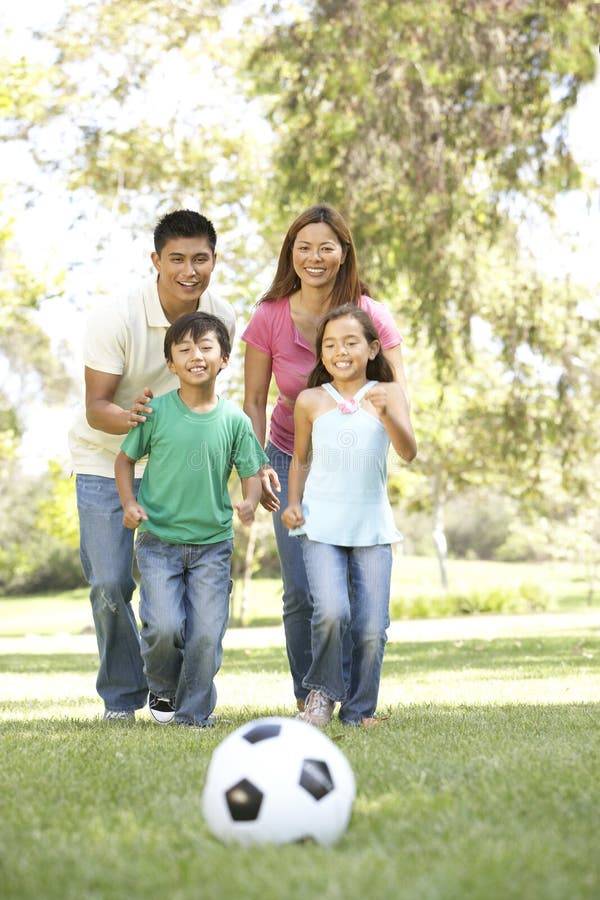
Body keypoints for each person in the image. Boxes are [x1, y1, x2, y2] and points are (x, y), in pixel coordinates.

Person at [69, 209, 236, 721]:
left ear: (213, 259)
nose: (190, 270)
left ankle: (170, 688)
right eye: (178, 259)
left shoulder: (222, 316)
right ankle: (122, 700)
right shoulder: (115, 318)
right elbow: (97, 405)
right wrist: (133, 422)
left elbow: (208, 404)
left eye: (201, 259)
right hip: (106, 457)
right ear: (156, 260)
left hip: (172, 468)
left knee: (184, 592)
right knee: (111, 583)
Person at [242, 204, 408, 711]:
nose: (314, 257)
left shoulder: (370, 312)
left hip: (351, 465)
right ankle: (312, 695)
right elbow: (253, 400)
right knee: (301, 591)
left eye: (326, 246)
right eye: (303, 246)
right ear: (290, 253)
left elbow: (397, 391)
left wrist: (391, 441)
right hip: (289, 457)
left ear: (343, 254)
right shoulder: (269, 315)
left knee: (357, 600)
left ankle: (357, 703)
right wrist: (258, 465)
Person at [114, 312, 266, 727]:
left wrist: (250, 500)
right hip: (158, 541)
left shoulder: (235, 420)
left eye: (205, 348)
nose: (195, 356)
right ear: (170, 364)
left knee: (204, 634)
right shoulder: (156, 413)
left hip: (212, 546)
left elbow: (251, 471)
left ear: (225, 359)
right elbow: (124, 460)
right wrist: (130, 503)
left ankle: (194, 713)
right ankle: (163, 688)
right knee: (163, 627)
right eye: (184, 349)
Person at [281, 305, 417, 727]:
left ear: (373, 347)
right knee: (333, 611)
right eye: (330, 344)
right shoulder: (310, 400)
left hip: (372, 527)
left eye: (351, 341)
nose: (341, 351)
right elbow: (300, 458)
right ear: (321, 354)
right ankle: (320, 694)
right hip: (320, 524)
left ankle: (359, 711)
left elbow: (409, 452)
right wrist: (293, 502)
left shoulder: (388, 392)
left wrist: (387, 412)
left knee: (373, 626)